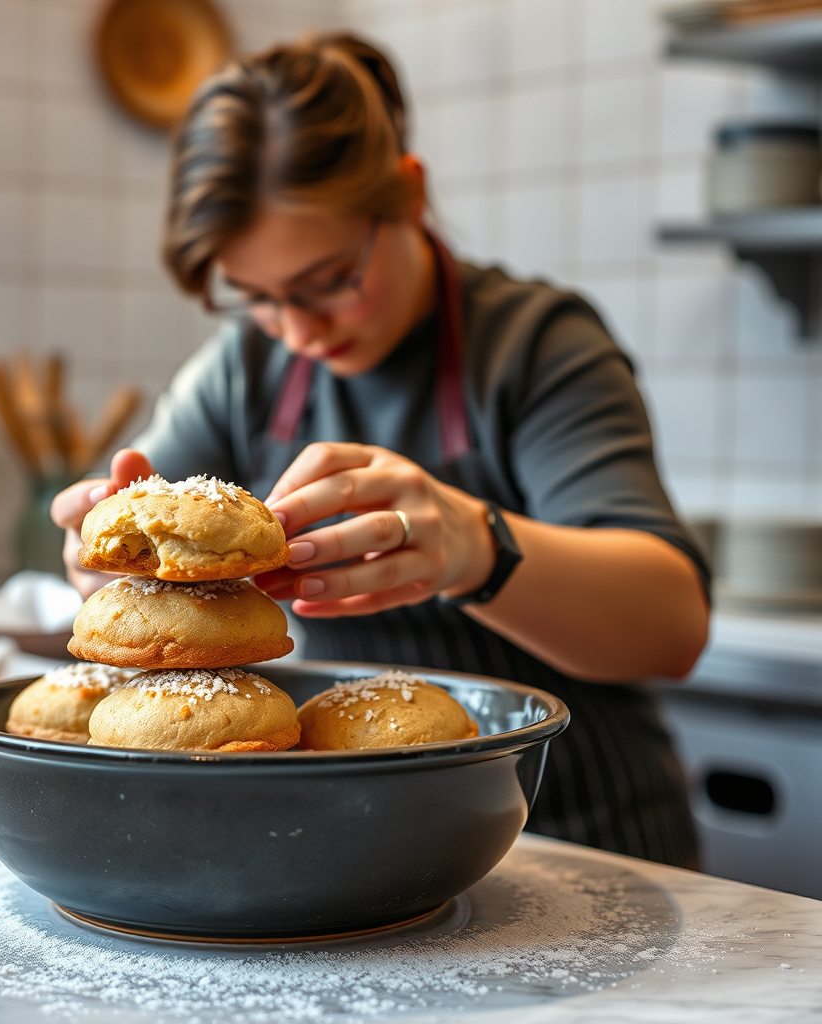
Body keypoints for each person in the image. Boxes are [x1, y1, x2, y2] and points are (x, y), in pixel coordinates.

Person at [52, 34, 710, 867]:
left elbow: (674, 625)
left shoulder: (538, 345)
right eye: (256, 298)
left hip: (566, 841)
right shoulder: (243, 369)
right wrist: (91, 550)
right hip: (341, 848)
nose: (298, 329)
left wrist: (477, 546)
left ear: (408, 193)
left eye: (330, 279)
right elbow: (128, 541)